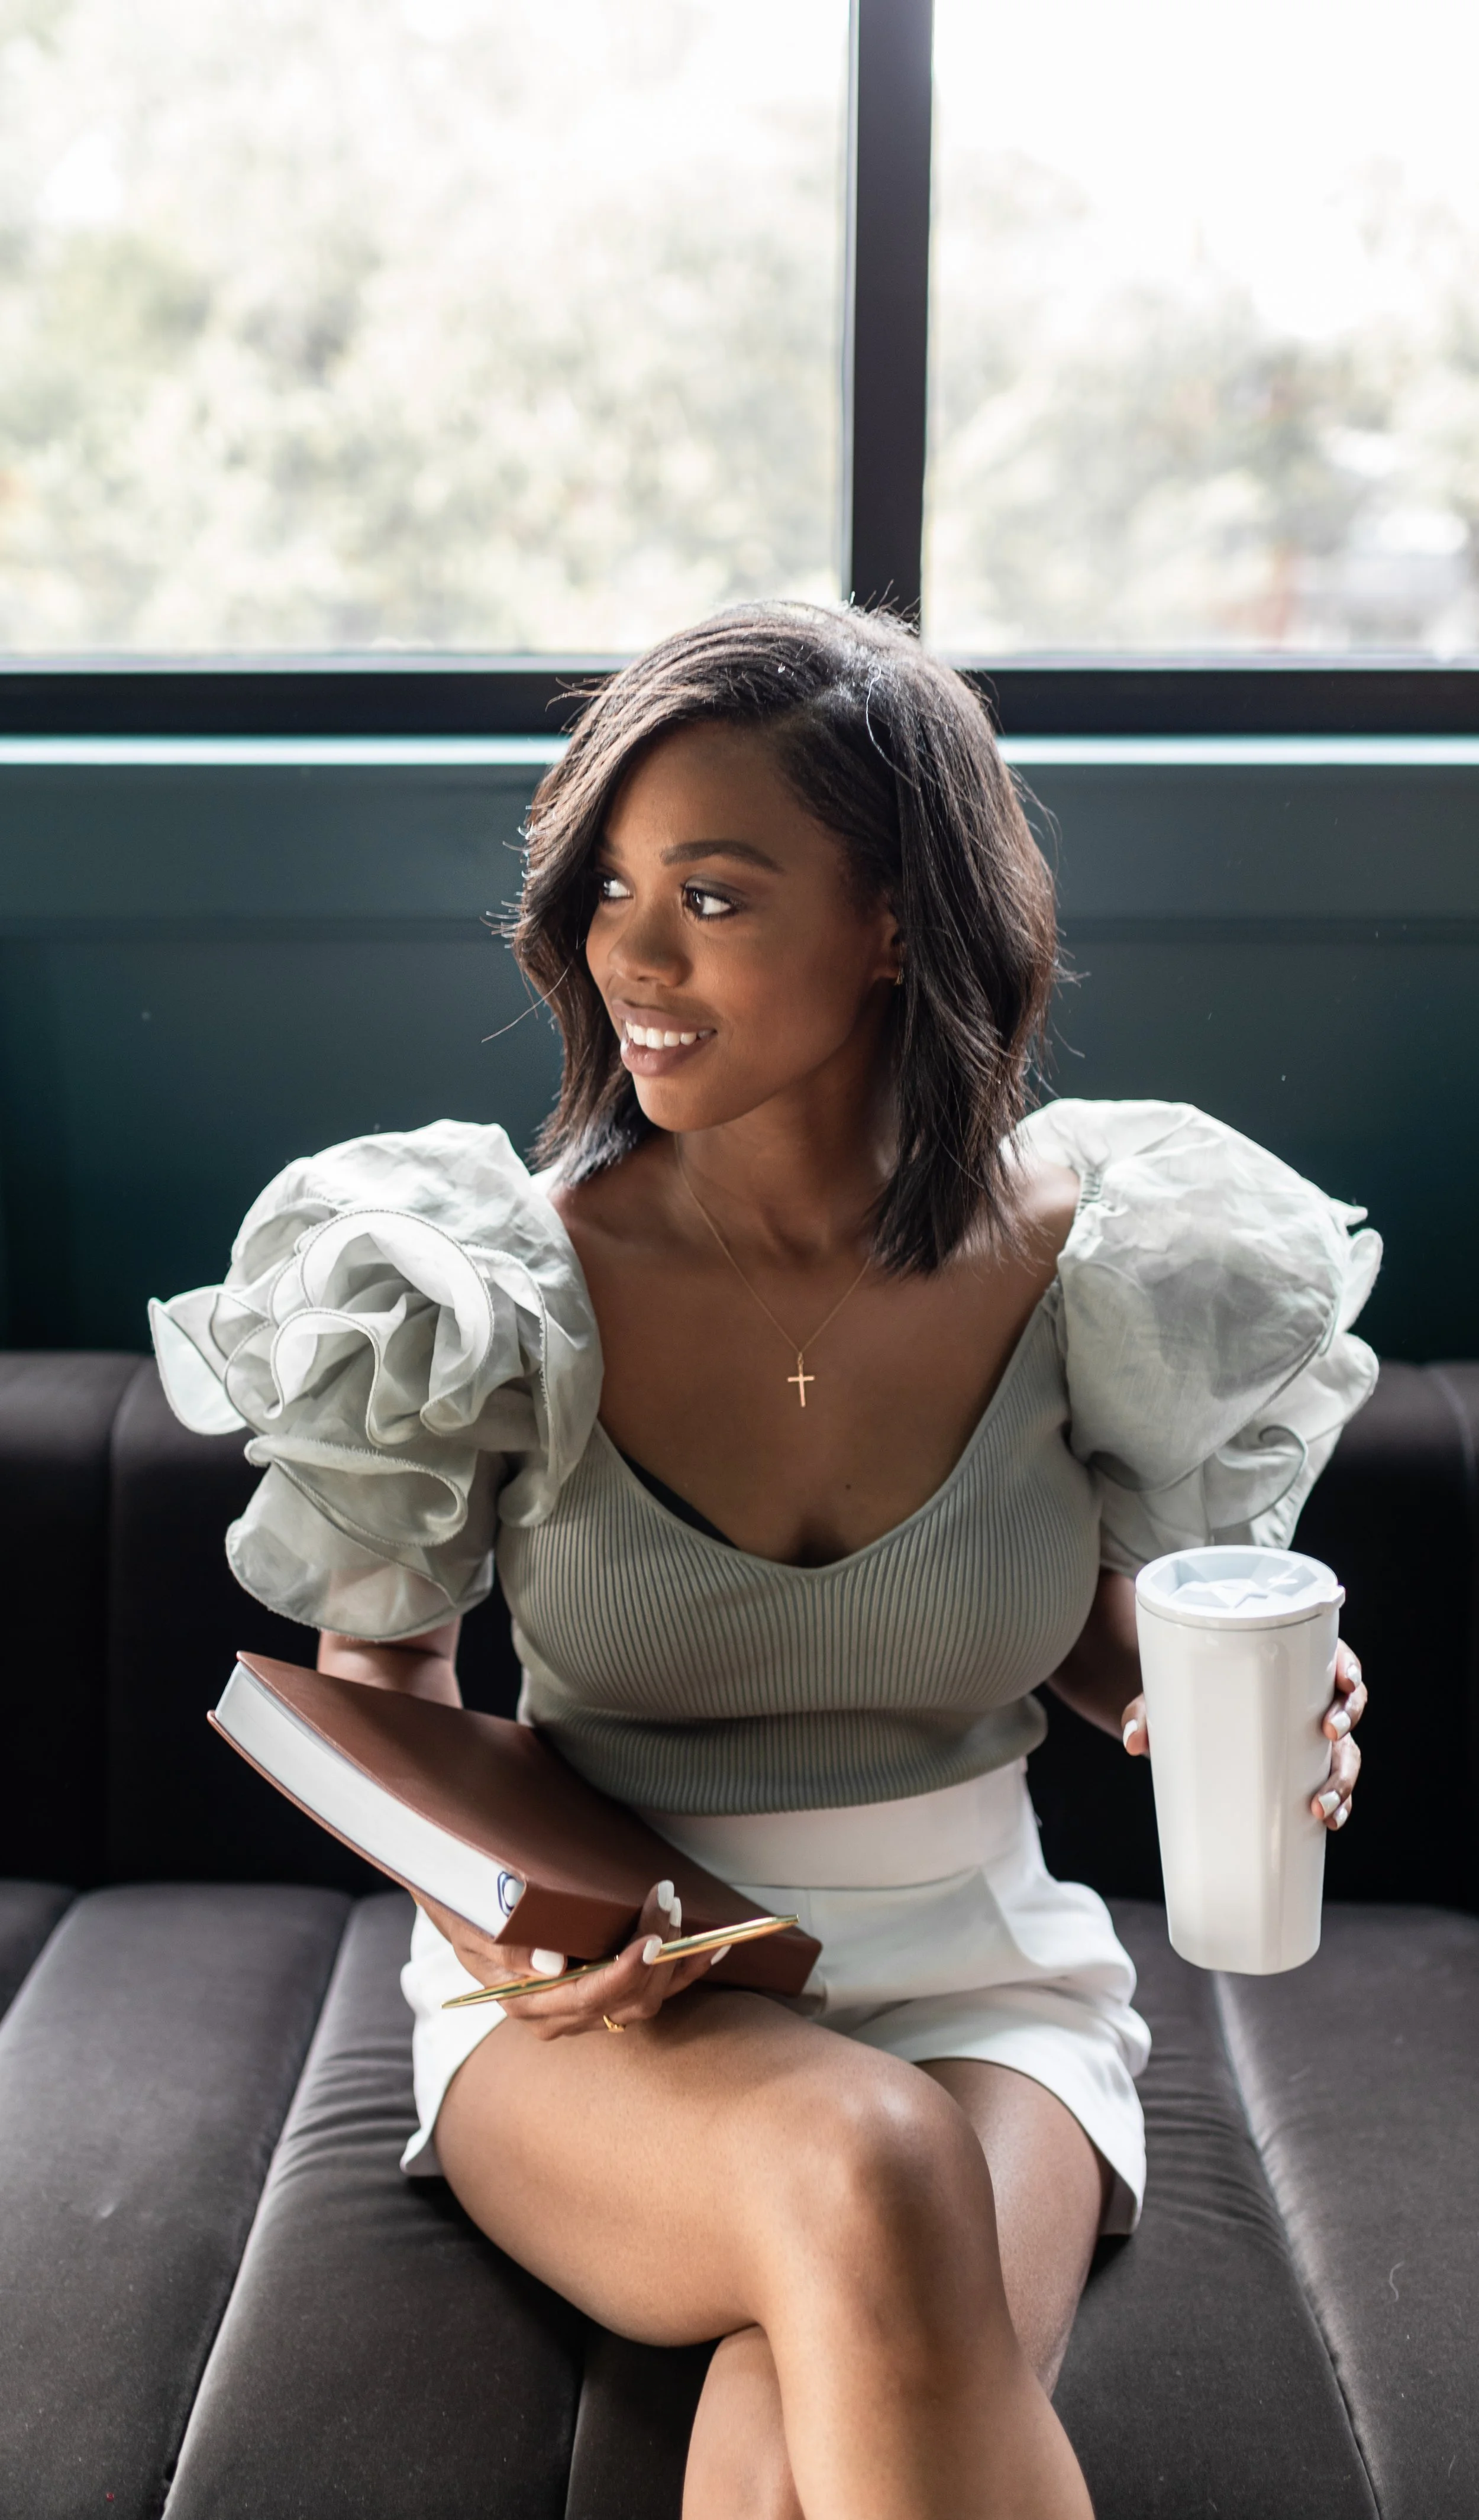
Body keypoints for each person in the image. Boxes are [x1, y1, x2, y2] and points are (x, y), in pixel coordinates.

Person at [153, 605, 1375, 2519]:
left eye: (710, 895)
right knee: (876, 2174)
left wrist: (1228, 1699)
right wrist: (500, 1921)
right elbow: (381, 1684)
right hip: (614, 1997)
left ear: (892, 919)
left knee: (794, 2422)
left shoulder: (1104, 1252)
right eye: (611, 887)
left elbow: (1099, 1636)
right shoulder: (484, 1276)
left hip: (984, 1972)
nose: (628, 954)